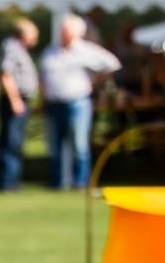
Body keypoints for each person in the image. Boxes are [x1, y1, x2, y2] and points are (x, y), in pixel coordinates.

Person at [40, 14, 120, 190]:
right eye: (62, 31)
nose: (63, 35)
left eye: (66, 32)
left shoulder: (85, 50)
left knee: (79, 143)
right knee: (55, 144)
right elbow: (43, 75)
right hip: (54, 103)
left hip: (77, 102)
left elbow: (112, 63)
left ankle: (81, 180)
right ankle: (59, 180)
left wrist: (94, 80)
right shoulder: (51, 51)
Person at [0, 18, 39, 193]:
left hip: (21, 100)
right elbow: (5, 74)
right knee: (10, 142)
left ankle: (12, 181)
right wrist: (15, 100)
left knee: (15, 142)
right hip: (14, 100)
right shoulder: (11, 47)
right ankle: (7, 182)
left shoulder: (19, 49)